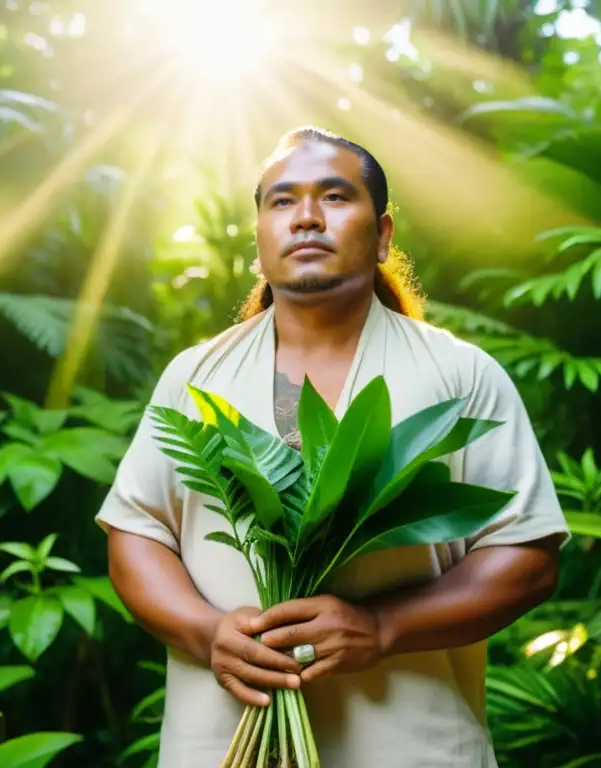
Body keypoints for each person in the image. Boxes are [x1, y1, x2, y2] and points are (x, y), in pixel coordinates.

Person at [97, 126, 569, 767]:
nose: (307, 218)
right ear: (260, 240)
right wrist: (208, 632)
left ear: (382, 235)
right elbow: (136, 534)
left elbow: (527, 556)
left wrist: (383, 628)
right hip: (222, 742)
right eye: (282, 202)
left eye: (335, 198)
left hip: (410, 742)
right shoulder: (194, 378)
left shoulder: (461, 375)